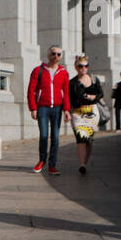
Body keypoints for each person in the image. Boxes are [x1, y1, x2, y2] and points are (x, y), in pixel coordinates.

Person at [27, 45, 70, 175]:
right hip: (43, 108)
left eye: (58, 54)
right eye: (53, 53)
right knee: (44, 135)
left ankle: (52, 165)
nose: (56, 56)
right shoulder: (38, 70)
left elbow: (66, 92)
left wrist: (67, 110)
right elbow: (31, 90)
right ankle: (41, 161)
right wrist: (33, 108)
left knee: (55, 137)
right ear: (48, 54)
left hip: (57, 108)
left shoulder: (63, 72)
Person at [68, 55, 103, 174]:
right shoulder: (72, 83)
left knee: (89, 140)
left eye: (85, 66)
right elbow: (69, 99)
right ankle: (82, 164)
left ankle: (85, 163)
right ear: (76, 67)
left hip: (92, 112)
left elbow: (100, 94)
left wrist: (93, 97)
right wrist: (67, 112)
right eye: (80, 66)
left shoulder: (94, 79)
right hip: (78, 113)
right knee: (81, 139)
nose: (83, 68)